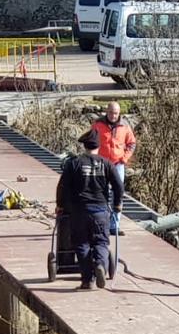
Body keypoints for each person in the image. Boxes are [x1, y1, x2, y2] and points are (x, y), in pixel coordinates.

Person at [56, 132, 124, 290]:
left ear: (84, 146)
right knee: (101, 241)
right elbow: (118, 186)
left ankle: (87, 280)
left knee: (82, 243)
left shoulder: (73, 163)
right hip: (100, 211)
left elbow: (63, 186)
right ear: (98, 146)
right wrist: (117, 204)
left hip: (79, 211)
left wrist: (61, 205)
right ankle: (100, 264)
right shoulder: (107, 164)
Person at [89, 101, 136, 234]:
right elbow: (91, 142)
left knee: (118, 194)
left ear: (119, 113)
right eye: (110, 112)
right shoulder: (98, 125)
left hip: (117, 165)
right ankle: (100, 224)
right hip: (101, 164)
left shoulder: (124, 126)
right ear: (106, 112)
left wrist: (125, 158)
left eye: (115, 113)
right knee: (100, 193)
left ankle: (114, 226)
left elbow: (131, 143)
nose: (113, 116)